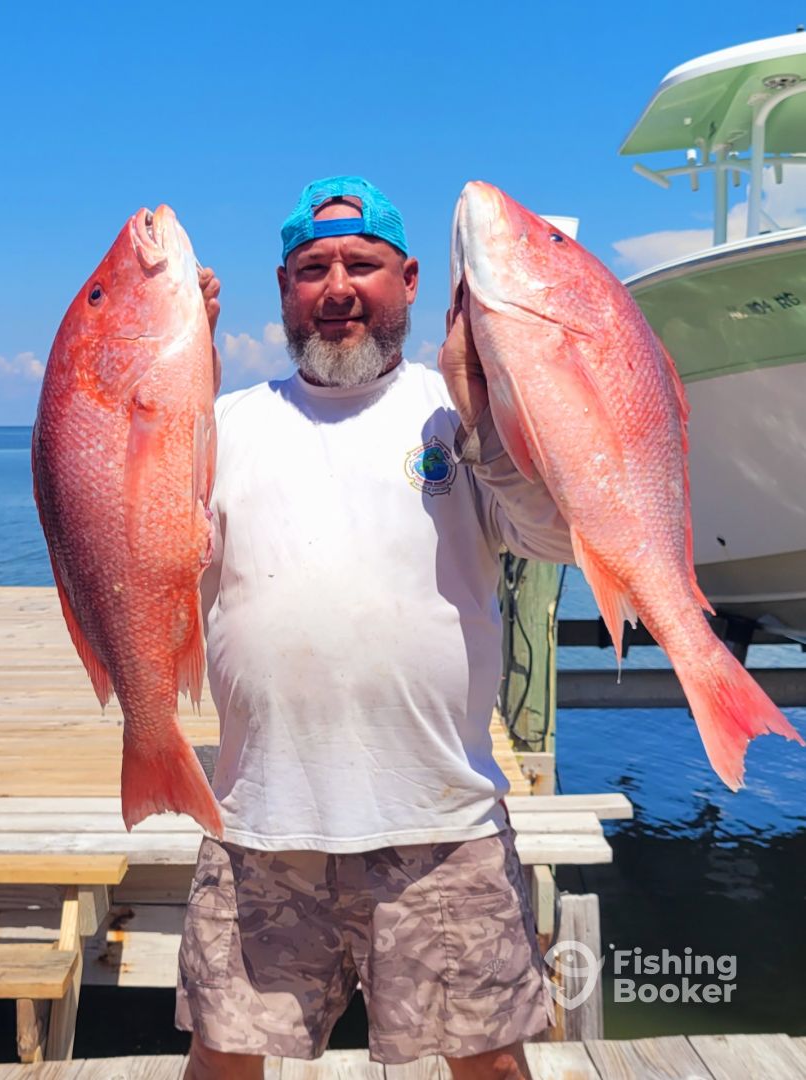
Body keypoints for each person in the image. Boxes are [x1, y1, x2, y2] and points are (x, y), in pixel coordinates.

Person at [177, 176, 575, 1080]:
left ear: (411, 278)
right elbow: (147, 543)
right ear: (284, 288)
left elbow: (555, 535)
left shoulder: (453, 412)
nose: (337, 288)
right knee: (223, 1058)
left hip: (441, 823)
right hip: (260, 821)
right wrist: (174, 377)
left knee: (490, 1064)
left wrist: (486, 420)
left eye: (361, 264)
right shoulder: (227, 425)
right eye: (312, 268)